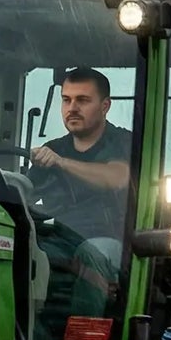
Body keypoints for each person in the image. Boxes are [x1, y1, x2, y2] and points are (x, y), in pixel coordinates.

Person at [28, 68, 132, 245]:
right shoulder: (53, 149)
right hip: (58, 242)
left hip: (112, 247)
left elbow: (117, 177)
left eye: (82, 100)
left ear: (105, 106)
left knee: (95, 250)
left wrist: (61, 163)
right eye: (66, 100)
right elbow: (26, 193)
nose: (72, 108)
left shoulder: (124, 142)